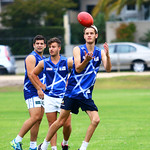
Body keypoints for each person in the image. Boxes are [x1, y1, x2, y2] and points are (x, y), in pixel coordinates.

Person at [37, 25, 112, 150]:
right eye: (87, 33)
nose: (89, 35)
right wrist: (87, 60)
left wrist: (108, 56)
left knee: (96, 120)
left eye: (91, 33)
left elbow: (108, 69)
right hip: (72, 92)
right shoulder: (78, 49)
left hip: (86, 94)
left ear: (96, 36)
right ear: (84, 36)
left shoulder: (101, 52)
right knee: (61, 122)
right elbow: (77, 68)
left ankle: (82, 148)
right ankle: (44, 145)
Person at [32, 37, 73, 150]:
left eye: (53, 47)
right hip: (49, 97)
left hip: (64, 98)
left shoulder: (67, 61)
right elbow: (33, 74)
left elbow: (77, 70)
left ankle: (65, 142)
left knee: (67, 125)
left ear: (59, 48)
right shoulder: (44, 63)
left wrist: (70, 81)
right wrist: (41, 86)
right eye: (50, 47)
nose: (51, 49)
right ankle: (54, 148)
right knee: (52, 125)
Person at [10, 35, 47, 150]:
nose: (39, 45)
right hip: (32, 90)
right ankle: (17, 140)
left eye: (41, 43)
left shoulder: (44, 58)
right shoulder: (31, 57)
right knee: (35, 116)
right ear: (34, 45)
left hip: (40, 91)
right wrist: (39, 89)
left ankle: (32, 146)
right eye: (37, 43)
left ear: (45, 45)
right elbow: (31, 75)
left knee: (38, 119)